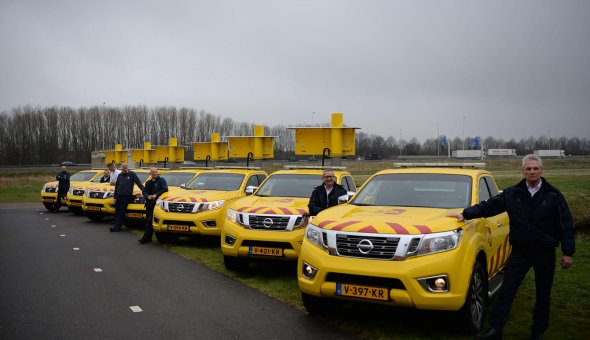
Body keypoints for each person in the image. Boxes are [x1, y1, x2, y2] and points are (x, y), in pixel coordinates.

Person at [448, 154, 575, 340]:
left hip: (544, 252)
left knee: (543, 294)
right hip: (520, 252)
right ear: (523, 171)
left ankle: (538, 332)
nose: (532, 172)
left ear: (541, 170)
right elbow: (489, 206)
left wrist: (568, 252)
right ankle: (495, 330)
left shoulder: (554, 195)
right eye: (528, 169)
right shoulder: (512, 193)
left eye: (535, 169)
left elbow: (566, 223)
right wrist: (465, 214)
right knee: (507, 290)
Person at [111, 163, 145, 232]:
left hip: (126, 196)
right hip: (118, 195)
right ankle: (118, 225)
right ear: (121, 167)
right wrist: (115, 196)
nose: (125, 168)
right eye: (123, 167)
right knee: (117, 210)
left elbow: (139, 183)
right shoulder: (120, 175)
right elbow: (117, 186)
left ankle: (116, 227)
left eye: (126, 166)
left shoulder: (132, 174)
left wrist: (145, 191)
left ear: (127, 167)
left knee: (121, 211)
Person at [139, 167, 168, 244]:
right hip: (148, 204)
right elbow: (144, 191)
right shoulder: (148, 182)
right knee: (148, 221)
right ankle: (149, 238)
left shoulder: (161, 180)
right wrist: (147, 196)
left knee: (149, 222)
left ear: (157, 172)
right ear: (150, 173)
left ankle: (144, 238)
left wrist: (156, 195)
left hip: (157, 204)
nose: (154, 173)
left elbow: (165, 189)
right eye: (153, 172)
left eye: (155, 172)